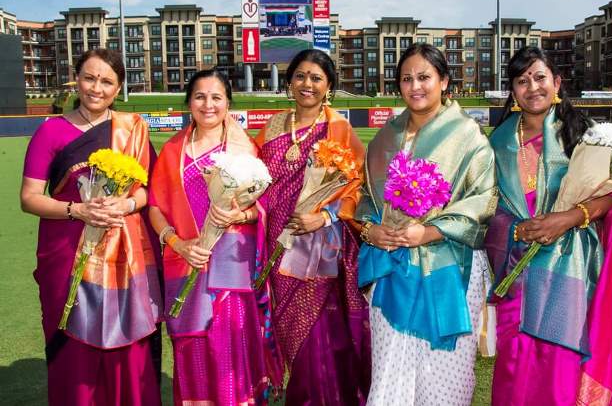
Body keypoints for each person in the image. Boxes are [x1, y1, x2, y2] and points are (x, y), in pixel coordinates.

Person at [485, 46, 612, 405]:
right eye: (522, 80)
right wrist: (514, 229)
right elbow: (486, 208)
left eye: (539, 77)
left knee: (559, 369)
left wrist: (570, 217)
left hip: (570, 273)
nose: (532, 87)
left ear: (557, 82)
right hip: (516, 271)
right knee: (513, 368)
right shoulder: (496, 143)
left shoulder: (584, 134)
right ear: (512, 90)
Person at [355, 43, 497, 405]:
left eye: (424, 77)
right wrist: (371, 230)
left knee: (444, 376)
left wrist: (429, 232)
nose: (415, 86)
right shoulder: (386, 137)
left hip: (448, 266)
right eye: (407, 79)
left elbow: (483, 200)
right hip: (393, 266)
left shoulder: (467, 136)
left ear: (444, 81)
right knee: (390, 369)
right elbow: (366, 196)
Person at [20, 48, 162, 405]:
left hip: (125, 254)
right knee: (72, 342)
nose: (96, 88)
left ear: (119, 89)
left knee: (128, 340)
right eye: (89, 78)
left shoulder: (132, 129)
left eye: (107, 82)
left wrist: (126, 204)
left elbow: (150, 191)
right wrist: (78, 210)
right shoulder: (51, 131)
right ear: (77, 79)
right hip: (67, 251)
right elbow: (29, 198)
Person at [148, 69, 281, 405]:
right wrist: (178, 244)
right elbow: (154, 207)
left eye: (216, 97)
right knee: (191, 350)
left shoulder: (244, 149)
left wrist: (240, 215)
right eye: (200, 96)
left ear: (228, 104)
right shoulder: (172, 151)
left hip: (231, 269)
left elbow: (264, 206)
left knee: (230, 350)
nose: (208, 104)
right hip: (186, 263)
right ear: (188, 103)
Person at [254, 49, 371, 405]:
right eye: (300, 76)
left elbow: (357, 186)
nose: (308, 84)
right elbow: (255, 183)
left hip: (320, 249)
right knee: (291, 333)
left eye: (316, 78)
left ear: (329, 86)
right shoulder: (271, 127)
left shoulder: (338, 129)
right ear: (289, 82)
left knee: (321, 336)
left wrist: (324, 217)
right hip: (276, 248)